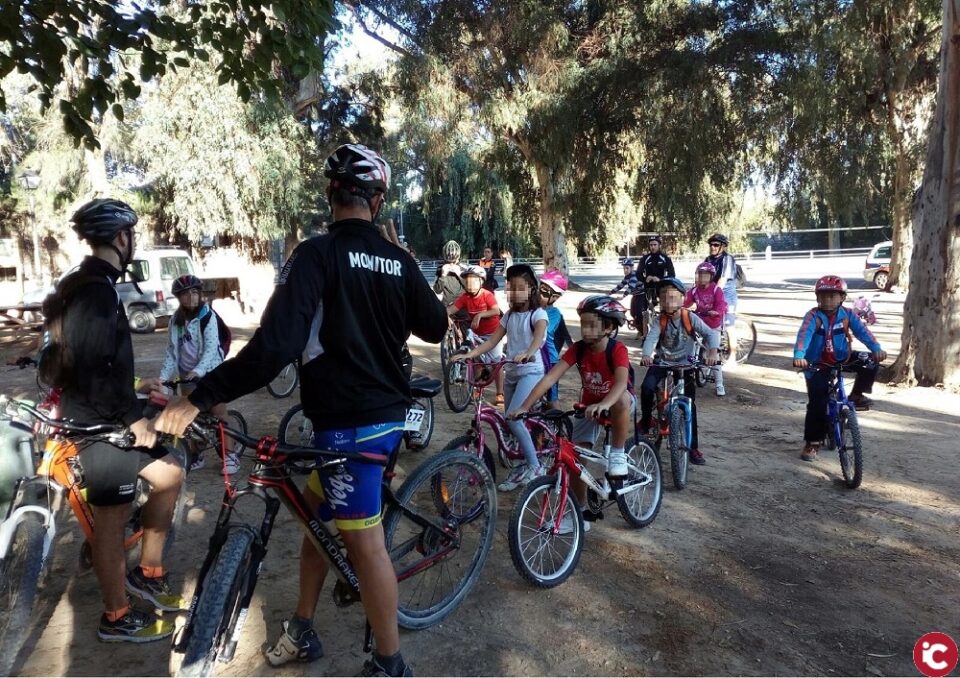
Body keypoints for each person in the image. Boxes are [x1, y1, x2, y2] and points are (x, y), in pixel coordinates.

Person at [155, 144, 447, 677]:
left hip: (355, 426)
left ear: (332, 195)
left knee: (365, 547)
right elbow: (436, 325)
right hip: (369, 417)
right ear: (377, 201)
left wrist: (200, 394)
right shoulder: (397, 260)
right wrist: (401, 261)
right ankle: (303, 627)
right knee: (316, 522)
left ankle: (390, 662)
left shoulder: (315, 254)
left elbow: (275, 346)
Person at [53, 198, 184, 642]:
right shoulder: (92, 289)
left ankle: (147, 570)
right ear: (120, 238)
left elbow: (91, 358)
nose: (134, 242)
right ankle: (116, 615)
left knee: (169, 475)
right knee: (110, 522)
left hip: (113, 413)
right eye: (132, 234)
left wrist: (135, 386)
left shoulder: (90, 283)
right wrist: (132, 419)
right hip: (98, 426)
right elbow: (89, 368)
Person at [509, 295, 633, 531]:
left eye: (591, 324)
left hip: (617, 403)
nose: (584, 330)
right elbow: (550, 377)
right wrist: (524, 407)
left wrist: (604, 403)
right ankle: (581, 512)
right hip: (588, 407)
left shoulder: (618, 349)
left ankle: (618, 454)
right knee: (575, 461)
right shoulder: (578, 349)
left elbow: (620, 384)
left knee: (622, 400)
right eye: (582, 323)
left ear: (608, 327)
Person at [452, 264, 547, 491]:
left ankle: (535, 466)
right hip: (512, 372)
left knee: (514, 419)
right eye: (510, 288)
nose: (514, 293)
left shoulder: (538, 314)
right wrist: (469, 355)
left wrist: (528, 353)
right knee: (509, 420)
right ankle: (520, 465)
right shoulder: (510, 316)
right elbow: (491, 341)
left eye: (519, 288)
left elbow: (539, 337)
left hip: (531, 372)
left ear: (532, 289)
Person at [792, 275, 886, 462]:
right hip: (817, 363)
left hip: (842, 356)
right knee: (817, 402)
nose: (827, 300)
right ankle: (813, 442)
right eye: (823, 296)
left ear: (842, 297)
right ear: (817, 297)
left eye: (832, 296)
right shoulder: (813, 316)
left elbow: (862, 332)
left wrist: (876, 349)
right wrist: (799, 356)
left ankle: (856, 395)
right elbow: (804, 335)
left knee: (870, 362)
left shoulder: (848, 314)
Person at [157, 274, 234, 472]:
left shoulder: (207, 317)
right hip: (187, 375)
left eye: (194, 292)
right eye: (184, 294)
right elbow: (172, 352)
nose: (190, 297)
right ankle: (196, 455)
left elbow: (211, 349)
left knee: (219, 415)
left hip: (210, 372)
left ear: (199, 293)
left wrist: (198, 370)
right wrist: (163, 378)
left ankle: (231, 457)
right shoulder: (176, 320)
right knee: (190, 420)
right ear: (178, 297)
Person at [640, 278, 720, 465]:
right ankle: (646, 421)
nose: (668, 302)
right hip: (662, 362)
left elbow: (711, 333)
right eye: (664, 298)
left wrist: (712, 351)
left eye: (673, 297)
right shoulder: (660, 320)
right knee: (647, 388)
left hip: (687, 363)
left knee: (690, 405)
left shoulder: (689, 317)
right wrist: (646, 355)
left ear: (683, 299)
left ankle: (693, 448)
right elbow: (651, 339)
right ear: (659, 300)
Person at [449, 264, 504, 405]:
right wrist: (445, 315)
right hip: (477, 333)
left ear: (481, 281)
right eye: (466, 281)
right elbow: (452, 309)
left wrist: (480, 315)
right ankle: (478, 389)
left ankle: (500, 393)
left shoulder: (487, 295)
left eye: (473, 280)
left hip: (493, 333)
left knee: (497, 363)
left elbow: (496, 311)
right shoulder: (465, 297)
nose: (469, 284)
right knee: (476, 362)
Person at [684, 262, 728, 396]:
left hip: (713, 324)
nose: (702, 278)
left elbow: (722, 305)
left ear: (711, 277)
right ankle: (687, 372)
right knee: (688, 346)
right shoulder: (694, 290)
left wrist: (717, 312)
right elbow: (685, 301)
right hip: (699, 322)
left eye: (705, 275)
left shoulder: (716, 290)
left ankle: (719, 383)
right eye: (700, 275)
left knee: (713, 354)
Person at [538, 269, 574, 409]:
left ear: (555, 296)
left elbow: (542, 332)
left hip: (549, 362)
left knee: (552, 399)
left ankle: (559, 427)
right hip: (534, 360)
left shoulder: (554, 313)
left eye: (546, 290)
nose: (540, 293)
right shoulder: (532, 309)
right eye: (541, 287)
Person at [704, 233, 738, 363]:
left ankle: (733, 357)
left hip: (727, 295)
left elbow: (722, 281)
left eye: (716, 245)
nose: (712, 247)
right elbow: (701, 278)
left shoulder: (727, 259)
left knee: (729, 325)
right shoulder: (708, 260)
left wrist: (712, 294)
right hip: (713, 294)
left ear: (723, 247)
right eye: (711, 245)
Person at [637, 235, 675, 336]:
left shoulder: (665, 258)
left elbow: (672, 275)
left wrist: (660, 279)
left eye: (655, 244)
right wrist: (646, 279)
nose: (653, 247)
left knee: (665, 311)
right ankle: (645, 336)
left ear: (659, 245)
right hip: (648, 288)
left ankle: (664, 334)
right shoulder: (645, 259)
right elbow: (638, 274)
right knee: (645, 312)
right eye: (651, 245)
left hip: (661, 288)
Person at [609, 258, 641, 335]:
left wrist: (623, 296)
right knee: (633, 313)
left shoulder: (633, 275)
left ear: (632, 268)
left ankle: (643, 333)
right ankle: (640, 328)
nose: (625, 270)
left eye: (627, 268)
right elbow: (620, 286)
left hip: (641, 295)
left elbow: (631, 287)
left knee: (639, 314)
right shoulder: (627, 277)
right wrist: (610, 293)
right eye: (624, 268)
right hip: (635, 295)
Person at [434, 240, 465, 306]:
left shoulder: (464, 268)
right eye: (449, 253)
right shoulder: (440, 269)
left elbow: (470, 288)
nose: (451, 254)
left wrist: (460, 275)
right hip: (446, 306)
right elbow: (437, 290)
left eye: (452, 253)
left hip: (462, 306)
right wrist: (443, 275)